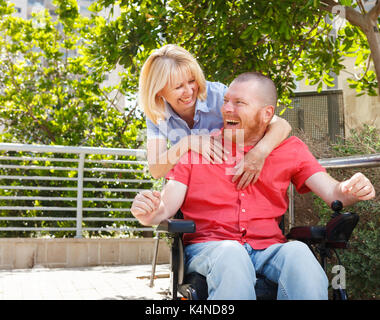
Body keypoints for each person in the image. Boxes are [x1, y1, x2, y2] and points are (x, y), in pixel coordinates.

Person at [131, 72, 375, 300]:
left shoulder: (289, 149)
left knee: (301, 255)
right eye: (226, 101)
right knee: (232, 254)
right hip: (211, 248)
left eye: (239, 103)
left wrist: (351, 189)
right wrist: (148, 211)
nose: (226, 108)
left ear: (267, 114)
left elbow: (334, 193)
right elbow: (164, 208)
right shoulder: (198, 148)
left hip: (270, 248)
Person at [139, 44, 292, 189]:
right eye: (178, 87)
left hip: (233, 182)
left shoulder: (219, 95)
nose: (189, 91)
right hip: (192, 188)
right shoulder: (156, 113)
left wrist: (259, 153)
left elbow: (282, 125)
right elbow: (156, 170)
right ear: (159, 91)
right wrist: (188, 142)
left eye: (192, 81)